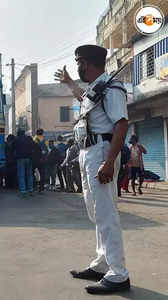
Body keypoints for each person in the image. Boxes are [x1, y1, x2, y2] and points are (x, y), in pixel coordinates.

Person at [55, 44, 130, 294]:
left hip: (101, 153)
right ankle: (102, 264)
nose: (77, 66)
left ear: (87, 63)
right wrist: (68, 83)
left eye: (79, 61)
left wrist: (109, 162)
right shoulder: (96, 89)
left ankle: (118, 274)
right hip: (88, 153)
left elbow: (121, 125)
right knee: (96, 213)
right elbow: (82, 98)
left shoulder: (112, 88)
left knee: (106, 213)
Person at [14, 128, 34, 197]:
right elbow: (33, 146)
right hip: (29, 158)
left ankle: (23, 191)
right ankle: (31, 190)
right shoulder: (29, 138)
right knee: (29, 175)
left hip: (20, 159)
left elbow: (13, 148)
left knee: (21, 175)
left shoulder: (16, 139)